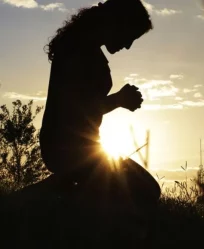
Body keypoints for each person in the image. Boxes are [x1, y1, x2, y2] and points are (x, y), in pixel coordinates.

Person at [40, 0, 160, 202]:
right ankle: (47, 195)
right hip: (66, 150)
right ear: (118, 23)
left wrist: (119, 100)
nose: (128, 45)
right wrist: (119, 99)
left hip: (84, 149)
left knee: (146, 189)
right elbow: (74, 109)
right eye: (130, 36)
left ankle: (62, 189)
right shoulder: (78, 51)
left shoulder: (85, 49)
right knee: (144, 191)